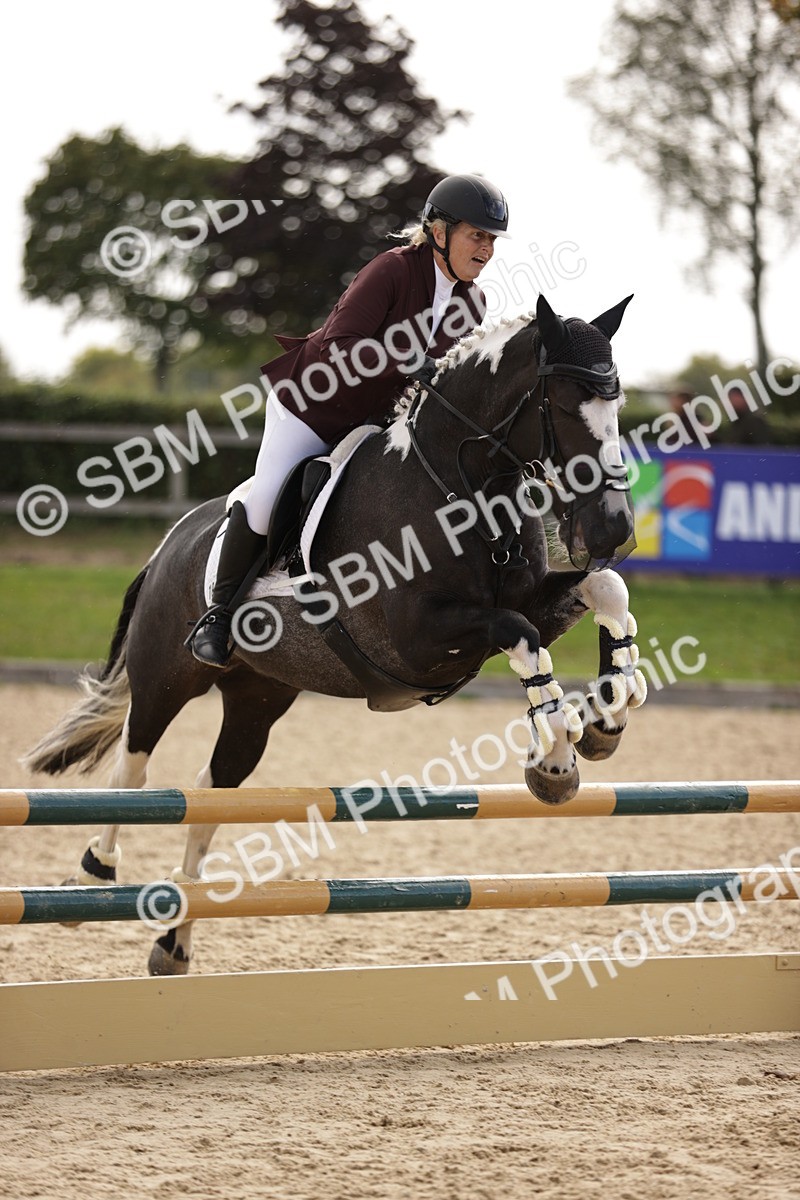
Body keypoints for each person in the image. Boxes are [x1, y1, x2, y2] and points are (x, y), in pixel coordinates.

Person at [188, 173, 510, 666]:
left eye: (491, 239)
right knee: (267, 499)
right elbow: (341, 343)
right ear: (440, 232)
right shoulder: (392, 270)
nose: (486, 249)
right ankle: (217, 615)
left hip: (373, 419)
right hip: (312, 404)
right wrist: (407, 361)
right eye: (477, 235)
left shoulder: (473, 303)